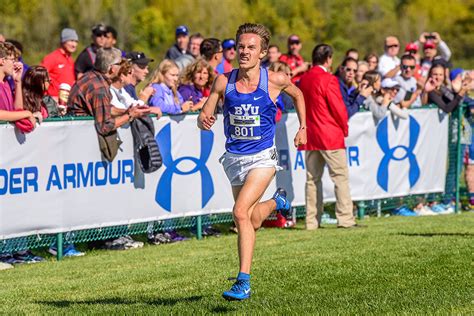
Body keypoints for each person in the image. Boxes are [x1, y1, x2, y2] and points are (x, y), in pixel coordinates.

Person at [198, 23, 306, 301]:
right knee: (251, 219)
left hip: (262, 157)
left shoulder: (275, 80)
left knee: (239, 212)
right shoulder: (224, 81)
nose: (244, 52)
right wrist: (204, 118)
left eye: (251, 47)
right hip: (234, 158)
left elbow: (298, 94)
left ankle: (242, 281)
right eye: (241, 46)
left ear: (262, 53)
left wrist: (303, 127)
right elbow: (206, 110)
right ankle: (277, 202)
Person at [298, 43, 358, 230]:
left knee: (312, 180)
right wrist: (344, 128)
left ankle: (311, 222)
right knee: (340, 178)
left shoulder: (304, 79)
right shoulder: (329, 79)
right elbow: (339, 109)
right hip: (329, 135)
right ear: (329, 59)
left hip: (311, 135)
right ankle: (345, 219)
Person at [69, 47, 151, 133]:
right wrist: (130, 115)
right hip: (82, 134)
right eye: (120, 63)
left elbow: (105, 108)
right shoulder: (99, 88)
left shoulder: (92, 76)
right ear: (112, 68)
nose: (123, 66)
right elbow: (105, 127)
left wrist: (126, 111)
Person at [41, 28, 78, 100]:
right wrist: (47, 97)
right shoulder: (52, 57)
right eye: (71, 41)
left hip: (67, 101)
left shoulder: (71, 59)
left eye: (76, 41)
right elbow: (39, 77)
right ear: (63, 41)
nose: (74, 44)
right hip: (52, 102)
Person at [0, 42, 24, 113]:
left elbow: (18, 110)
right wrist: (27, 114)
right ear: (2, 61)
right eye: (13, 60)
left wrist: (18, 81)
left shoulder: (6, 82)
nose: (15, 64)